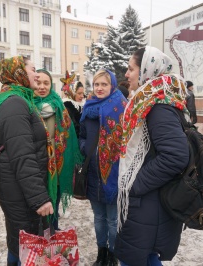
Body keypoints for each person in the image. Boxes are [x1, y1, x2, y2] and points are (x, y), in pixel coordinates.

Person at [115, 46, 190, 266]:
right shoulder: (149, 100)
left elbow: (175, 156)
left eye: (131, 69)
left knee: (137, 258)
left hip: (149, 203)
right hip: (148, 205)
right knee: (144, 257)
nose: (126, 74)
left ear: (147, 69)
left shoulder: (158, 106)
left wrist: (135, 184)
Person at [0, 56, 53, 265]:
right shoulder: (14, 103)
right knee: (24, 245)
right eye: (32, 69)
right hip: (21, 191)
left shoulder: (15, 99)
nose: (36, 73)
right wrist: (39, 198)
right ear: (18, 73)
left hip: (17, 188)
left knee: (20, 242)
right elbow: (22, 155)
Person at [79, 69, 127, 265]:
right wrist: (86, 147)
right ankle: (102, 252)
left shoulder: (122, 106)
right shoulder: (88, 107)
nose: (99, 88)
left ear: (112, 85)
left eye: (104, 84)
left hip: (115, 171)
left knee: (113, 220)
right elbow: (81, 134)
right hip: (93, 171)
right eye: (96, 84)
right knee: (99, 217)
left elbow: (128, 139)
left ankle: (113, 255)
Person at [34, 69, 82, 230]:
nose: (42, 87)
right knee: (38, 206)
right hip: (36, 166)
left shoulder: (59, 107)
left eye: (46, 83)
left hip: (58, 166)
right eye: (38, 82)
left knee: (53, 202)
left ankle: (53, 232)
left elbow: (68, 136)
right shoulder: (27, 106)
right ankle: (42, 236)